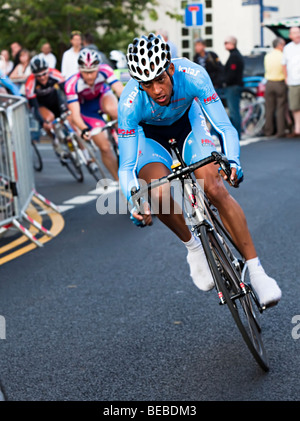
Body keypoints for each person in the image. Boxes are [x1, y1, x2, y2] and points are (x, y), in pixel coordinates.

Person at [117, 33, 281, 308]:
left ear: (170, 68)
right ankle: (193, 248)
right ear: (138, 83)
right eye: (147, 84)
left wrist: (233, 161)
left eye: (160, 79)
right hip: (151, 138)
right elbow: (126, 166)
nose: (156, 90)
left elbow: (225, 127)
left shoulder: (192, 75)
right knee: (156, 192)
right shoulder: (129, 103)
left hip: (189, 126)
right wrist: (134, 199)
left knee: (214, 187)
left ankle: (257, 271)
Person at [64, 48, 124, 181]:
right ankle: (119, 182)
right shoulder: (71, 84)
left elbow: (121, 92)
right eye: (86, 72)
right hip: (86, 110)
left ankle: (122, 134)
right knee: (104, 147)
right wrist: (84, 129)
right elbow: (75, 114)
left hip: (103, 97)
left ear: (98, 68)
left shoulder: (105, 70)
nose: (90, 76)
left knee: (115, 109)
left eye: (92, 72)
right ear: (80, 70)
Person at [25, 55, 69, 157]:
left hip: (56, 101)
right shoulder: (30, 83)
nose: (42, 77)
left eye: (44, 74)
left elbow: (67, 92)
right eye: (38, 76)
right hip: (41, 105)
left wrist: (68, 107)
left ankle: (87, 156)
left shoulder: (55, 74)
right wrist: (43, 122)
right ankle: (55, 142)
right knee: (49, 120)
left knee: (70, 118)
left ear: (48, 70)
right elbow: (34, 106)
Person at [263, 37, 287, 138]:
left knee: (269, 108)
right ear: (280, 45)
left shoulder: (267, 56)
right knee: (280, 108)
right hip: (280, 83)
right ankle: (281, 131)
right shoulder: (283, 56)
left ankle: (268, 131)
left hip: (269, 84)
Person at [223, 36, 244, 138]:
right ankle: (237, 133)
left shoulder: (234, 56)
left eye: (226, 43)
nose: (225, 45)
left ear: (232, 44)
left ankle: (236, 134)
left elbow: (232, 73)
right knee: (234, 110)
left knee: (234, 111)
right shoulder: (235, 55)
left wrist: (225, 81)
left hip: (233, 87)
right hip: (235, 86)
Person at [282, 27, 300, 138]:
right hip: (293, 81)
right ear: (290, 36)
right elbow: (283, 64)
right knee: (294, 106)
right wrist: (286, 78)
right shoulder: (287, 48)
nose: (297, 35)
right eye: (294, 33)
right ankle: (297, 127)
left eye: (298, 32)